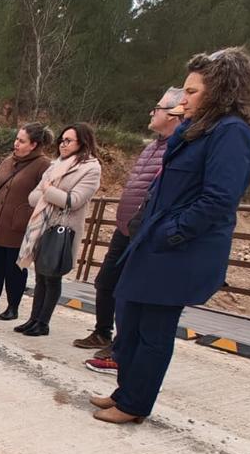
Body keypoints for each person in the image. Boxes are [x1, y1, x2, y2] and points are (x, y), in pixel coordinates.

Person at [93, 47, 250, 424]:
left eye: (191, 91)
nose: (182, 99)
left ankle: (135, 405)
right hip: (153, 241)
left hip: (178, 250)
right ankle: (124, 391)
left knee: (154, 329)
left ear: (219, 91)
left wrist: (173, 232)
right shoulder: (195, 130)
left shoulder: (232, 133)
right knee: (130, 316)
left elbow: (219, 198)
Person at [76, 88, 183, 367]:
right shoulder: (152, 146)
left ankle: (122, 348)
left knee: (129, 292)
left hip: (143, 232)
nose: (152, 112)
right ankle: (103, 333)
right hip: (125, 228)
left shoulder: (177, 149)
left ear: (174, 114)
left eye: (158, 108)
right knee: (106, 283)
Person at [14, 124, 102, 336]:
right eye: (62, 140)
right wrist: (50, 193)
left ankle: (43, 323)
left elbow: (73, 200)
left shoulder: (90, 168)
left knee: (52, 275)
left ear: (82, 142)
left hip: (63, 229)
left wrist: (49, 191)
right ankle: (33, 318)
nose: (63, 144)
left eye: (68, 140)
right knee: (40, 275)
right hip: (42, 225)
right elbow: (32, 197)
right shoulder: (56, 165)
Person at [0, 123, 53, 320]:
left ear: (34, 144)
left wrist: (24, 217)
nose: (16, 143)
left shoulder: (43, 165)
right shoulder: (9, 161)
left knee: (14, 270)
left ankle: (12, 306)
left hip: (19, 229)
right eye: (16, 139)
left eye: (21, 141)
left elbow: (42, 197)